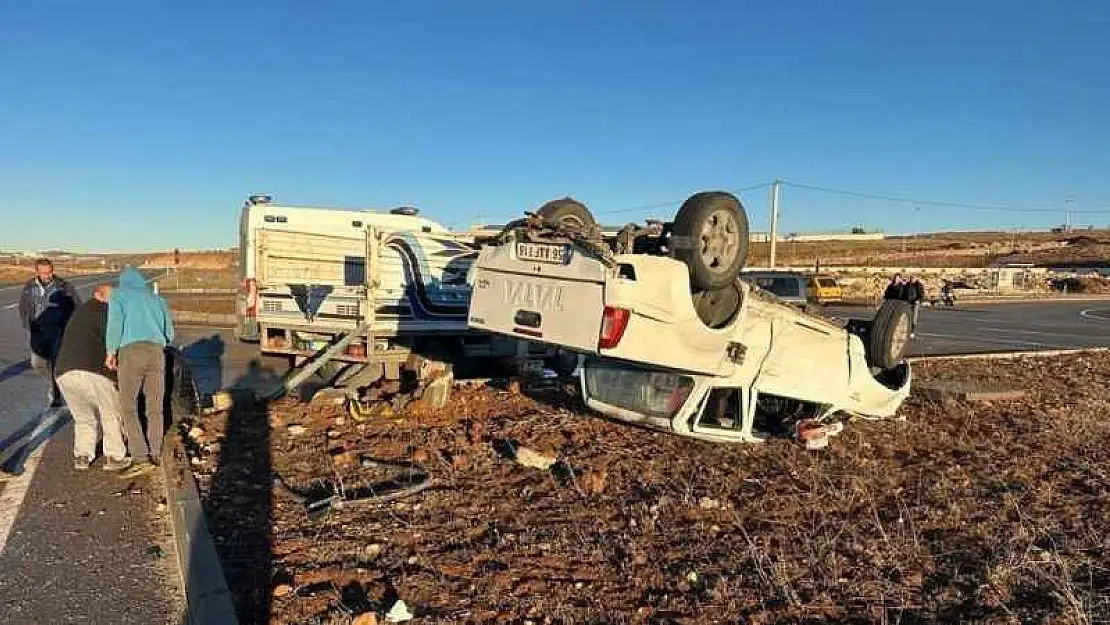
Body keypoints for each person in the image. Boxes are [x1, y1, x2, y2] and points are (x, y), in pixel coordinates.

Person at [54, 285, 134, 472]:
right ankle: (114, 456)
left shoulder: (81, 312)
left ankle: (82, 456)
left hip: (64, 372)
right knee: (110, 413)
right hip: (92, 371)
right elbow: (115, 342)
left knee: (83, 417)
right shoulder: (105, 313)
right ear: (102, 297)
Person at [105, 267, 175, 477]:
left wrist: (111, 351)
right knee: (155, 407)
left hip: (131, 351)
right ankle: (155, 452)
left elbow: (115, 324)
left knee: (128, 406)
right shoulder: (157, 299)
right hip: (156, 352)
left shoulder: (119, 295)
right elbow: (169, 333)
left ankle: (140, 457)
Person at [18, 258, 80, 407]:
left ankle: (56, 393)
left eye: (50, 272)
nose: (48, 275)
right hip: (37, 333)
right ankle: (56, 382)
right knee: (37, 364)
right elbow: (24, 308)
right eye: (44, 272)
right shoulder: (29, 286)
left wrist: (70, 329)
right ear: (37, 272)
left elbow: (77, 307)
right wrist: (28, 326)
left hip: (57, 332)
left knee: (56, 364)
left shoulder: (64, 287)